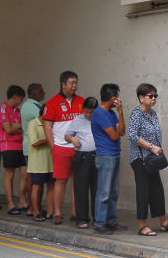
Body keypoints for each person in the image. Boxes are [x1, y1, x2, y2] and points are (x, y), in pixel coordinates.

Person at [126, 83, 168, 236]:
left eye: (156, 95)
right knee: (144, 190)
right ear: (141, 97)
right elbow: (132, 135)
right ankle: (142, 225)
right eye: (151, 96)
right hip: (140, 158)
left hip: (152, 158)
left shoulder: (153, 113)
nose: (154, 98)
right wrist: (151, 147)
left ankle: (163, 221)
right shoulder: (136, 114)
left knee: (157, 189)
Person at [43, 71, 84, 223]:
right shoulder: (52, 103)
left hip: (79, 148)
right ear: (63, 84)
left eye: (76, 83)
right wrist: (54, 147)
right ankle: (58, 213)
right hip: (61, 147)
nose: (75, 86)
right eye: (72, 83)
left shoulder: (81, 101)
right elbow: (47, 127)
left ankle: (75, 212)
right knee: (60, 181)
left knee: (77, 181)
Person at [91, 83, 127, 235]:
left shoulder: (112, 113)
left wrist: (120, 112)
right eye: (117, 97)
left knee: (113, 192)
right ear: (113, 98)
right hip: (105, 156)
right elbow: (114, 135)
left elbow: (122, 132)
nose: (119, 100)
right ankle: (100, 223)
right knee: (104, 192)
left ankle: (111, 221)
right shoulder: (99, 113)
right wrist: (117, 130)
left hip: (114, 154)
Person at [65, 97, 99, 229]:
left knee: (97, 189)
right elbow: (66, 136)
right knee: (81, 189)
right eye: (86, 112)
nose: (89, 115)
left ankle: (98, 218)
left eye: (92, 112)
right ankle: (82, 218)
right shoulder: (78, 120)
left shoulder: (100, 120)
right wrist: (73, 139)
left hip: (97, 156)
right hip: (81, 157)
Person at [0, 85, 27, 215]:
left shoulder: (18, 111)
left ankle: (22, 200)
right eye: (20, 99)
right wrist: (17, 127)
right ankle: (10, 204)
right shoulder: (2, 109)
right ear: (15, 97)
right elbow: (8, 129)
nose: (20, 102)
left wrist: (17, 126)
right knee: (10, 175)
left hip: (21, 145)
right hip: (8, 145)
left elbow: (23, 128)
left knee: (26, 173)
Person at [19, 83, 45, 215]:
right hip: (33, 146)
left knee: (35, 179)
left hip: (33, 146)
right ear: (34, 94)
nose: (44, 93)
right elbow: (44, 120)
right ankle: (32, 207)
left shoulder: (31, 105)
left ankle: (35, 206)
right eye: (41, 91)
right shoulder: (31, 107)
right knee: (34, 179)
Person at [27, 105, 54, 221]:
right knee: (37, 186)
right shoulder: (33, 123)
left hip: (51, 161)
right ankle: (36, 212)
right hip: (38, 162)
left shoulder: (52, 124)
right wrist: (49, 139)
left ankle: (50, 212)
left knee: (51, 186)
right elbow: (34, 142)